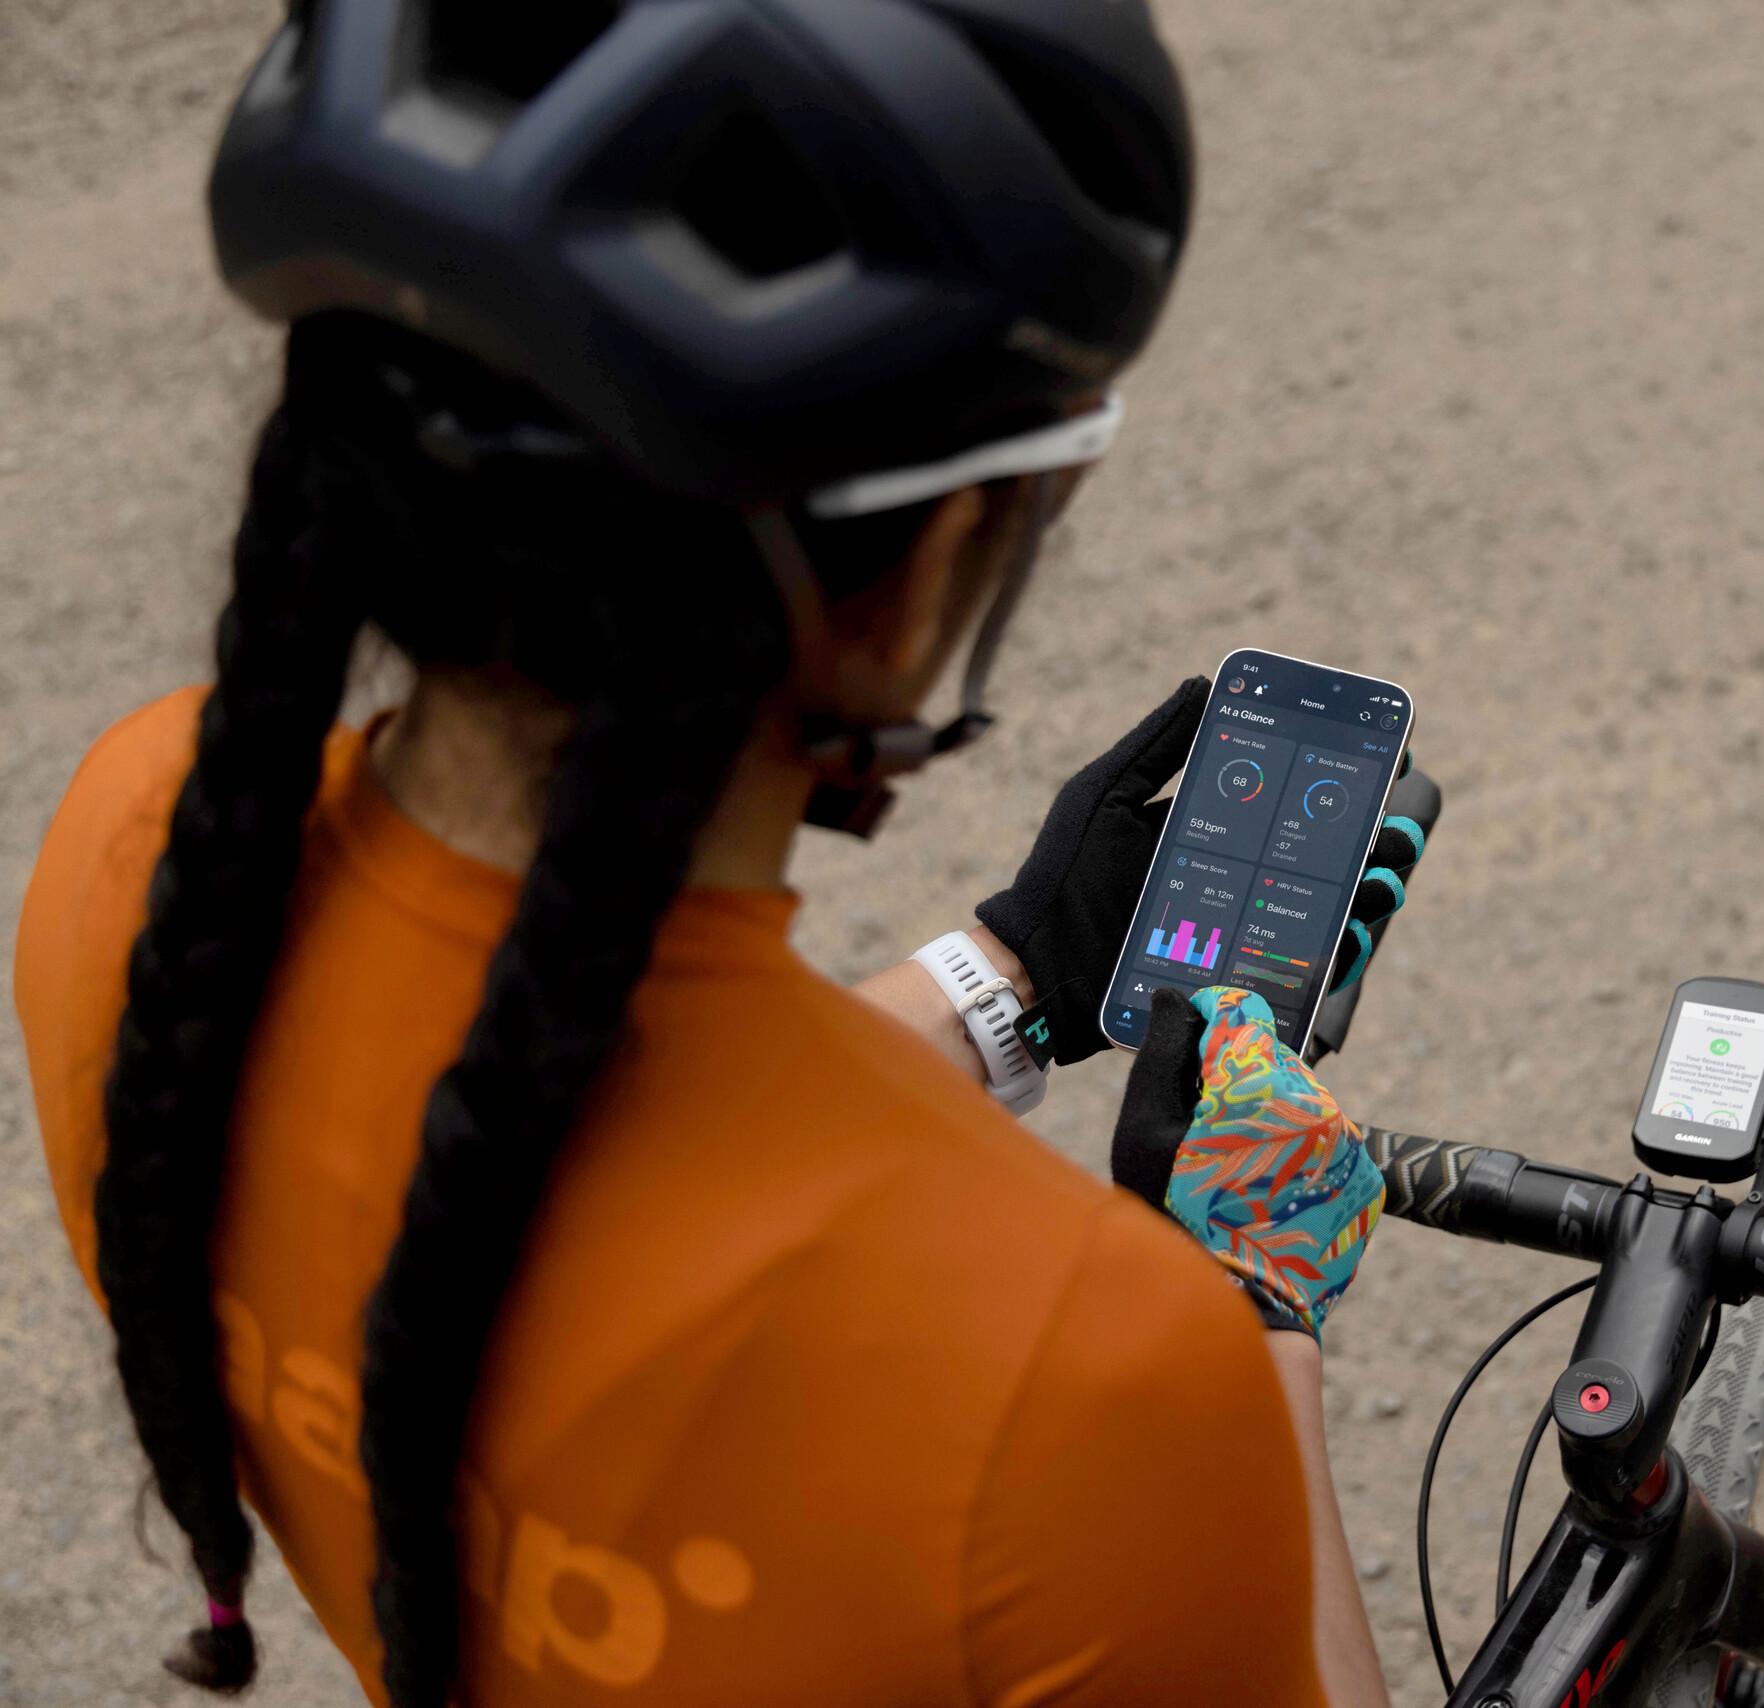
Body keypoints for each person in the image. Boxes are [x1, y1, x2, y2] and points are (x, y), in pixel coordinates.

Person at [13, 0, 1421, 1702]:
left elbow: (552, 1130)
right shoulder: (1100, 1375)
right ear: (929, 567)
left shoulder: (149, 864)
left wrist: (1008, 980)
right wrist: (1256, 1319)